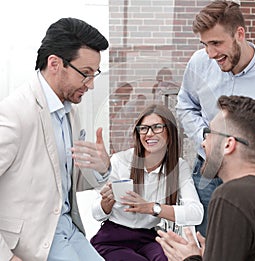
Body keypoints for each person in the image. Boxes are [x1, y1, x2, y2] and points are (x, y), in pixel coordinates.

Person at [176, 0, 255, 237]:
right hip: (207, 172)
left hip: (252, 179)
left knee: (247, 244)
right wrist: (204, 135)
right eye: (204, 45)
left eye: (216, 43)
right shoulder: (199, 63)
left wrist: (249, 162)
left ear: (239, 34)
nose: (211, 54)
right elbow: (185, 105)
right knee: (205, 242)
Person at [0, 18, 111, 261]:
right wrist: (6, 256)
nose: (91, 85)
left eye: (95, 74)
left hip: (68, 229)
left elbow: (65, 181)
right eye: (85, 74)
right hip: (33, 239)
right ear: (54, 63)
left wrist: (102, 168)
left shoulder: (71, 111)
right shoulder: (15, 113)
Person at [157, 95, 255, 261]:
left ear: (228, 144)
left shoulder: (231, 195)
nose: (203, 143)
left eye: (208, 133)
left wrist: (189, 259)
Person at [90, 104, 204, 261]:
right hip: (113, 238)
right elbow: (96, 213)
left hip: (149, 237)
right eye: (143, 128)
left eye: (157, 127)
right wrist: (106, 203)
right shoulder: (120, 161)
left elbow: (196, 213)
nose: (149, 134)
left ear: (169, 132)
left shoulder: (179, 167)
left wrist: (151, 208)